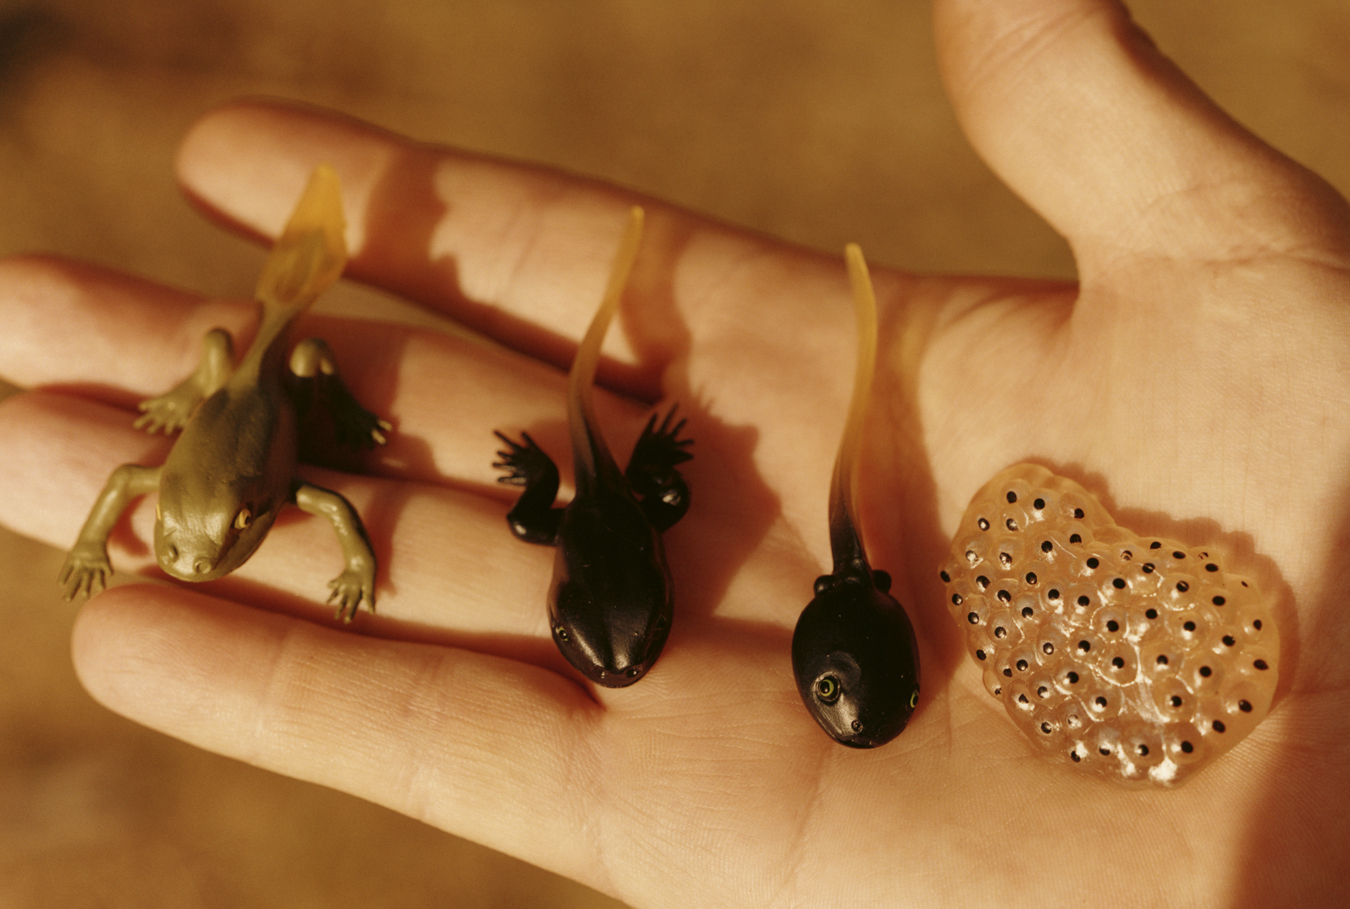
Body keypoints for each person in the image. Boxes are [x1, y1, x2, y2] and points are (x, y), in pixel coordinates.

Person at [1, 0, 1346, 904]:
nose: (633, 647)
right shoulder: (611, 550)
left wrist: (580, 484)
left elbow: (564, 544)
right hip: (595, 499)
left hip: (603, 498)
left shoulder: (650, 549)